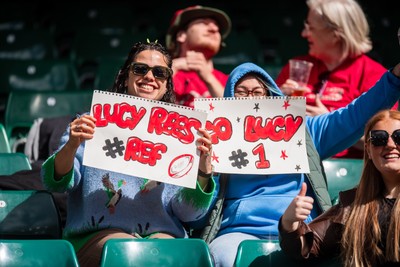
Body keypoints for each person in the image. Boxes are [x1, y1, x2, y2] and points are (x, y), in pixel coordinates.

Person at [205, 61, 400, 267]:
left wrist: (395, 77)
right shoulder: (215, 138)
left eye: (257, 92)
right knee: (223, 257)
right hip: (237, 233)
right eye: (241, 93)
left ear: (270, 95)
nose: (250, 100)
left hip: (302, 230)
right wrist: (204, 171)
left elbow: (354, 116)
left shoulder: (303, 131)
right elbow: (198, 213)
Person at [40, 41, 215, 267]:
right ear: (125, 76)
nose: (150, 77)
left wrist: (203, 170)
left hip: (162, 239)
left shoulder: (182, 137)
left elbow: (190, 213)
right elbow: (55, 183)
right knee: (128, 251)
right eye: (140, 69)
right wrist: (72, 145)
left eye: (160, 73)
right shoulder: (90, 124)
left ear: (166, 84)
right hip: (97, 239)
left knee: (174, 253)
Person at [275, 0, 395, 159]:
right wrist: (276, 100)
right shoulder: (296, 68)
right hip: (292, 161)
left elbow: (386, 141)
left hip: (348, 172)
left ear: (336, 34)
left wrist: (332, 126)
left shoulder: (374, 76)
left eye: (310, 28)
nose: (304, 34)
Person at [279, 109, 400, 266]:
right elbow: (306, 249)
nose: (390, 145)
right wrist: (289, 221)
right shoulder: (352, 206)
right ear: (368, 150)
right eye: (379, 139)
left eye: (399, 136)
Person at [165, 5, 232, 108]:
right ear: (181, 35)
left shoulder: (230, 81)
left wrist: (208, 78)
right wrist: (171, 68)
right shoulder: (156, 72)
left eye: (217, 28)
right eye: (204, 23)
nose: (214, 29)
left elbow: (236, 115)